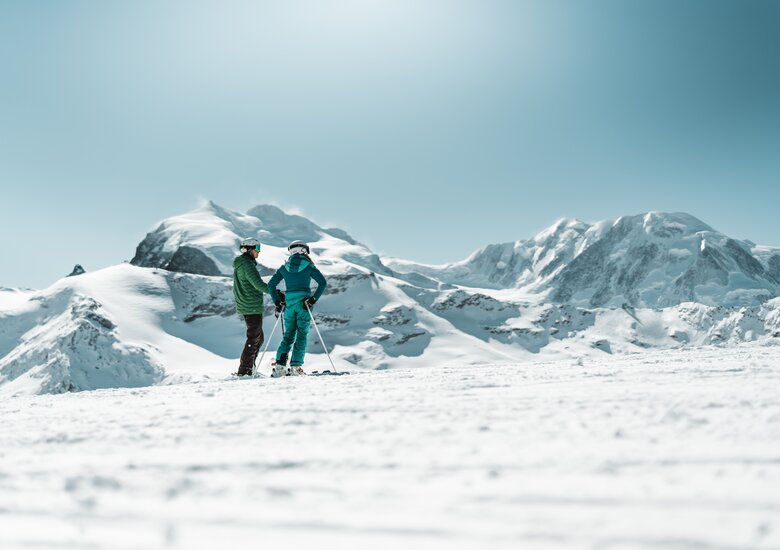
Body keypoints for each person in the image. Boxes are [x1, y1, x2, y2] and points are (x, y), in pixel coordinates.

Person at [268, 240, 327, 375]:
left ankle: (279, 367)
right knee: (301, 335)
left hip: (289, 305)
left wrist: (277, 302)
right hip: (304, 305)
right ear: (304, 251)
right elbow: (322, 283)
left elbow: (271, 285)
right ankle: (295, 367)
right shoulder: (308, 266)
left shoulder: (284, 268)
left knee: (288, 335)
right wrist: (313, 300)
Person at [232, 238, 269, 376]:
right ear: (249, 249)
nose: (258, 251)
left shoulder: (241, 264)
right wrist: (275, 292)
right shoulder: (247, 265)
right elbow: (259, 285)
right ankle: (245, 371)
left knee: (258, 337)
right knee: (254, 337)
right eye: (257, 248)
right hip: (251, 305)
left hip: (247, 304)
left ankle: (249, 367)